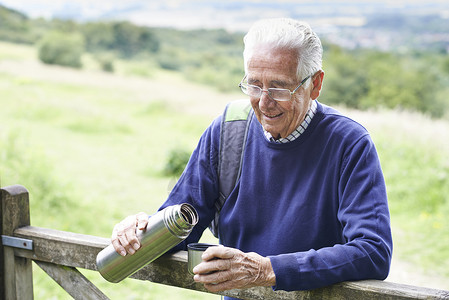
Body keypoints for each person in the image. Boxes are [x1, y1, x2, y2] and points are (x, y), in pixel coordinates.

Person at [111, 18, 392, 295]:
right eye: (254, 85)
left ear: (315, 84)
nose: (264, 101)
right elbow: (183, 225)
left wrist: (268, 270)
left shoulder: (349, 143)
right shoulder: (229, 129)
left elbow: (373, 251)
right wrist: (142, 232)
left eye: (280, 87)